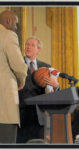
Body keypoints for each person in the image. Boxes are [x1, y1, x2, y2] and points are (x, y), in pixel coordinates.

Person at [17, 37, 59, 143]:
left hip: (40, 115)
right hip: (21, 114)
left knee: (39, 146)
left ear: (38, 50)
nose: (28, 47)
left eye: (32, 45)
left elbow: (53, 93)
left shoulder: (47, 68)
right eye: (27, 44)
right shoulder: (17, 64)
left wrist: (56, 85)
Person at [0, 10, 27, 143]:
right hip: (4, 108)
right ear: (8, 21)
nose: (16, 28)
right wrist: (21, 80)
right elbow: (19, 66)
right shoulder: (8, 35)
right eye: (16, 24)